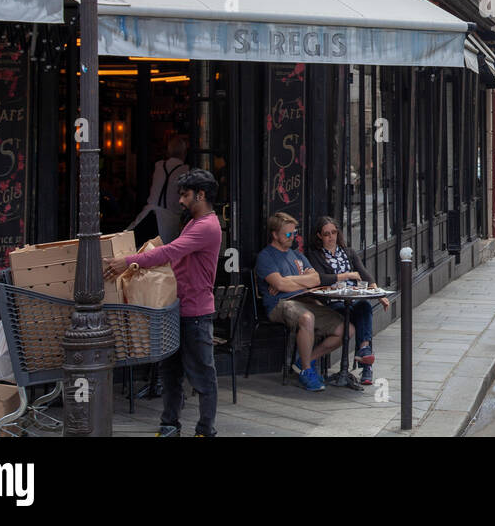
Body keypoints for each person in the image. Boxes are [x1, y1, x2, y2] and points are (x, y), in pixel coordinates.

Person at [104, 168, 222, 436]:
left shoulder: (206, 226)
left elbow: (171, 251)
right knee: (170, 373)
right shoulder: (193, 222)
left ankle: (206, 430)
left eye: (184, 195)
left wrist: (129, 261)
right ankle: (170, 425)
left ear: (200, 195)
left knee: (203, 376)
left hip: (196, 313)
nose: (180, 201)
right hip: (177, 308)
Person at [251, 211, 347, 393]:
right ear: (275, 235)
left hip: (304, 299)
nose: (292, 237)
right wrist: (295, 281)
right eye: (288, 234)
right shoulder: (266, 257)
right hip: (280, 304)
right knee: (307, 318)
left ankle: (305, 359)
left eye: (294, 233)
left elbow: (316, 279)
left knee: (346, 329)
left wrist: (289, 281)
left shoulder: (297, 255)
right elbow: (279, 284)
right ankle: (306, 369)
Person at [310, 216, 390, 385]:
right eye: (326, 234)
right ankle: (365, 366)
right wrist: (346, 275)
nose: (331, 237)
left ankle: (364, 352)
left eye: (333, 232)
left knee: (364, 307)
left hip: (351, 300)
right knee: (358, 315)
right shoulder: (315, 255)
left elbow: (365, 275)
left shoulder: (348, 252)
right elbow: (319, 279)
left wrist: (379, 294)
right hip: (332, 303)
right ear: (319, 236)